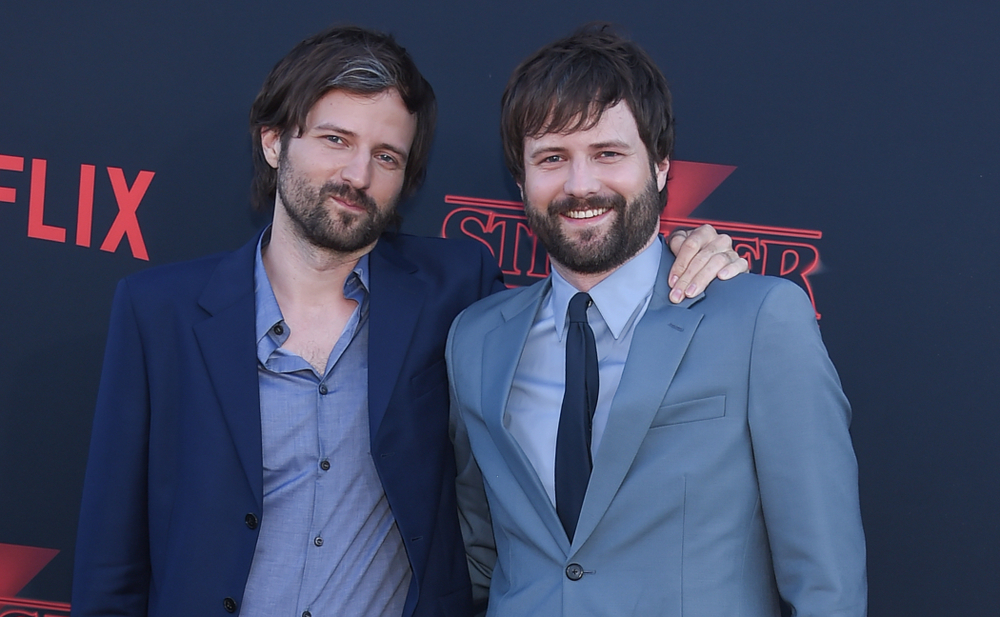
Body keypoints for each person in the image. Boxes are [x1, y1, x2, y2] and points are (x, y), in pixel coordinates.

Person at [71, 25, 744, 617]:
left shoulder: (458, 290)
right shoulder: (158, 311)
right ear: (275, 141)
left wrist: (685, 251)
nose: (357, 173)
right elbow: (111, 559)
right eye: (335, 140)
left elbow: (590, 291)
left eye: (386, 156)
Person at [448, 25, 867, 617]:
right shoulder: (474, 340)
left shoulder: (758, 321)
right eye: (552, 158)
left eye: (608, 153)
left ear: (662, 165)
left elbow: (827, 584)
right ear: (520, 181)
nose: (580, 184)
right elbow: (481, 554)